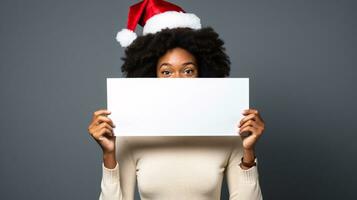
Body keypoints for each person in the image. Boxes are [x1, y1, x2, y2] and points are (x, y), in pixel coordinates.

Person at [88, 1, 265, 199]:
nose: (178, 80)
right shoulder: (131, 136)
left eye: (188, 70)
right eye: (166, 72)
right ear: (151, 75)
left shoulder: (228, 132)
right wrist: (109, 154)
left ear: (203, 73)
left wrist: (248, 153)